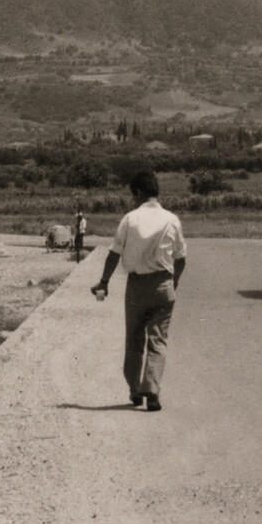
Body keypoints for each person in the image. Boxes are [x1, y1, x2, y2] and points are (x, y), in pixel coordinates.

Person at [92, 170, 187, 411]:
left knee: (134, 340)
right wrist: (172, 282)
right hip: (164, 285)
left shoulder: (130, 219)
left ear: (138, 193)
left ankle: (135, 390)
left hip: (136, 287)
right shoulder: (172, 219)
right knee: (158, 340)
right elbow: (181, 258)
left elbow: (114, 253)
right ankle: (152, 391)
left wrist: (104, 281)